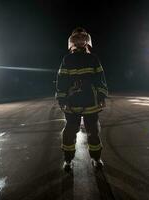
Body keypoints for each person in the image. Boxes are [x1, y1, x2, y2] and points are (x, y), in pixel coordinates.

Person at [55, 27, 108, 171]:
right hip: (72, 103)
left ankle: (96, 158)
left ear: (87, 41)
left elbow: (100, 79)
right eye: (77, 39)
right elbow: (62, 80)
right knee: (70, 132)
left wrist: (102, 96)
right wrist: (62, 99)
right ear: (72, 42)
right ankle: (68, 160)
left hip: (91, 102)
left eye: (83, 38)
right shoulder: (67, 59)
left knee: (93, 132)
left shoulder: (93, 58)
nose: (80, 41)